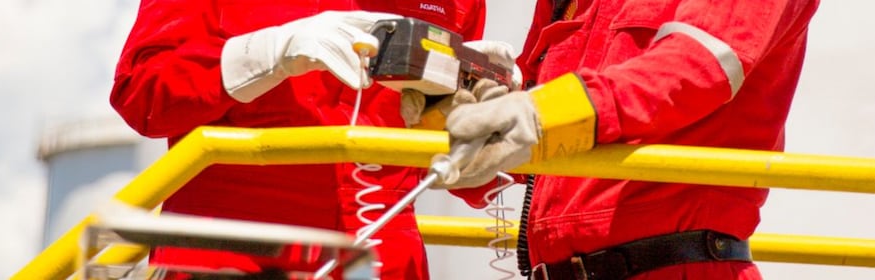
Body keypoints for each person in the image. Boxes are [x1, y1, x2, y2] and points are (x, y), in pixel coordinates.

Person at [109, 0, 513, 279]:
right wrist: (269, 53)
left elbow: (466, 175)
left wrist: (489, 123)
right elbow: (142, 94)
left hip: (386, 255)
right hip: (231, 250)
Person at [436, 0, 820, 279]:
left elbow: (695, 67)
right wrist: (455, 119)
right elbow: (549, 132)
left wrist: (541, 113)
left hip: (675, 265)